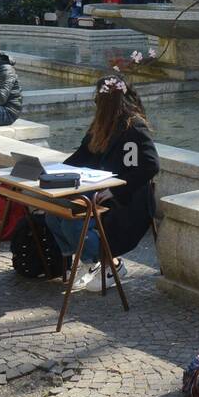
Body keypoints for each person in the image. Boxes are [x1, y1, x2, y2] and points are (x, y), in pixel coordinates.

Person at [44, 75, 159, 291]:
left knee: (72, 222)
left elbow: (150, 166)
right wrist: (53, 174)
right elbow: (81, 157)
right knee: (54, 213)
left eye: (97, 98)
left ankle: (111, 264)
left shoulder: (133, 127)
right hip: (99, 189)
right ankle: (88, 261)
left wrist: (116, 192)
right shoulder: (101, 126)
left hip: (128, 198)